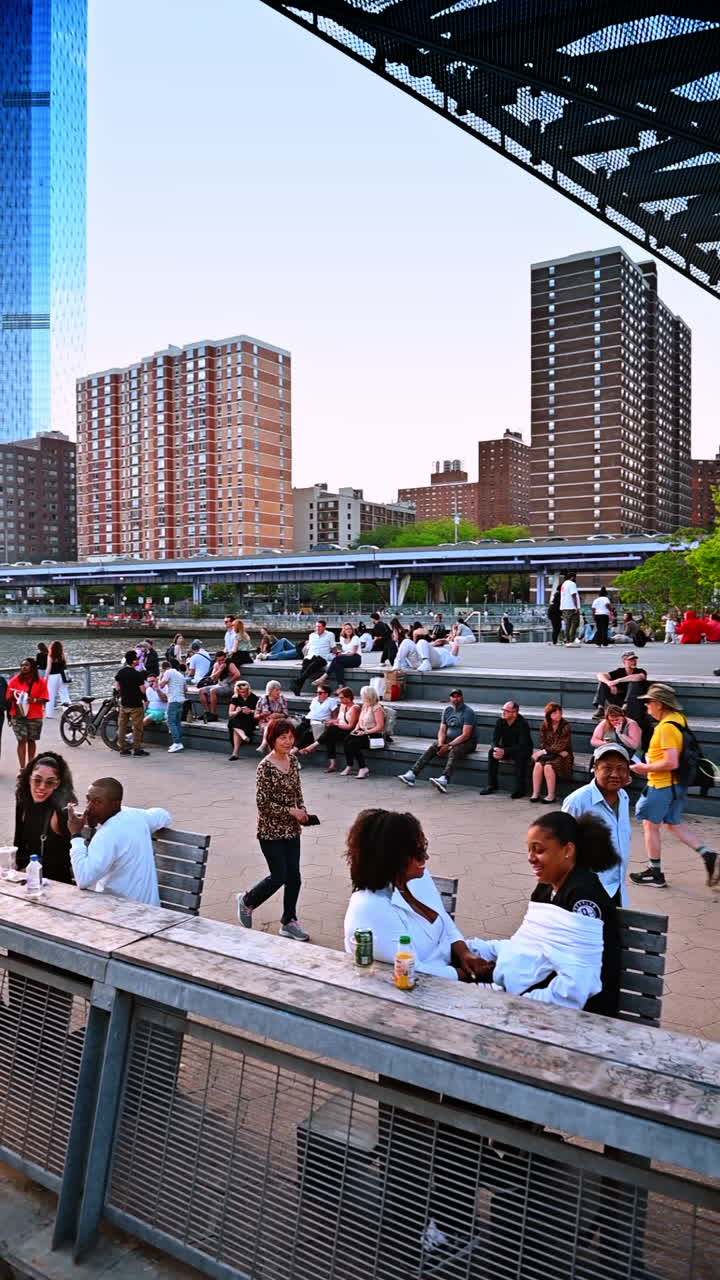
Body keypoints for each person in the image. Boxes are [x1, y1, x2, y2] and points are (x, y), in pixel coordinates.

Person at [471, 812, 622, 1015]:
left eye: (539, 850)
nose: (530, 858)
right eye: (529, 850)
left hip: (581, 1014)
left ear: (568, 850)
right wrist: (470, 948)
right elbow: (528, 945)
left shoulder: (583, 896)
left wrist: (520, 1003)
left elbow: (577, 985)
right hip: (534, 997)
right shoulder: (545, 888)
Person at [343, 809, 489, 980]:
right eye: (418, 853)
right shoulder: (370, 907)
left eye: (424, 848)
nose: (426, 857)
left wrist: (465, 954)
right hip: (424, 989)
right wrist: (470, 975)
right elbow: (411, 969)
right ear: (392, 858)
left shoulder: (417, 878)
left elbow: (444, 920)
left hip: (451, 962)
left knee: (518, 955)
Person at [629, 683, 717, 889]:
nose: (647, 706)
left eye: (649, 702)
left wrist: (644, 767)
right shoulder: (679, 719)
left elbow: (671, 762)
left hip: (662, 785)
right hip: (676, 784)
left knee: (650, 825)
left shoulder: (666, 727)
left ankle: (655, 873)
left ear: (659, 704)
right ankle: (708, 854)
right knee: (673, 823)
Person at [236, 718, 311, 941]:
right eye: (283, 737)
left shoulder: (293, 760)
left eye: (290, 737)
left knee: (294, 877)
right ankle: (247, 901)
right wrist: (291, 811)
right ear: (272, 740)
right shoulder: (265, 767)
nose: (288, 742)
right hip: (270, 831)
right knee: (279, 875)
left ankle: (289, 921)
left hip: (292, 830)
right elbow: (263, 804)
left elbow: (297, 792)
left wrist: (303, 810)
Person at [67, 777, 169, 905]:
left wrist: (76, 835)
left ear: (115, 804)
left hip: (123, 914)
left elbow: (83, 879)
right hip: (150, 908)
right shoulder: (135, 815)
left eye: (98, 802)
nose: (89, 808)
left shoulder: (106, 835)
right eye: (88, 800)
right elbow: (164, 815)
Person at [562, 745, 632, 904]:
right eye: (607, 768)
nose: (615, 774)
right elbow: (562, 848)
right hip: (587, 892)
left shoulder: (623, 797)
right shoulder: (577, 801)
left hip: (617, 888)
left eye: (621, 768)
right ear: (595, 768)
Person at [14, 752, 77, 883]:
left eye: (49, 783)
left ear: (57, 784)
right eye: (37, 780)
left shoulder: (61, 810)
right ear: (29, 778)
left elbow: (66, 859)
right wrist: (17, 868)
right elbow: (18, 843)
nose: (42, 787)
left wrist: (29, 870)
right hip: (26, 880)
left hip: (54, 884)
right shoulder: (23, 802)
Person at [399, 689, 476, 793]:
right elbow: (442, 730)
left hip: (468, 742)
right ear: (450, 698)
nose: (456, 699)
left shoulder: (468, 712)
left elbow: (466, 735)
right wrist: (440, 744)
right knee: (434, 746)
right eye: (453, 696)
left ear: (462, 697)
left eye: (458, 696)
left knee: (455, 750)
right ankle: (412, 774)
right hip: (450, 739)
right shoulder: (447, 710)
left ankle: (444, 779)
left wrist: (448, 746)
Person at [481, 700, 533, 799]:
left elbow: (522, 745)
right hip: (507, 748)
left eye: (506, 711)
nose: (503, 712)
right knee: (492, 752)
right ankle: (491, 785)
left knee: (520, 756)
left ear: (514, 713)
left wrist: (504, 751)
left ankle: (520, 789)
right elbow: (494, 739)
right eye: (503, 710)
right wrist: (496, 748)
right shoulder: (500, 721)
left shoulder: (523, 723)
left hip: (522, 749)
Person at [303, 686, 359, 773]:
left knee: (332, 729)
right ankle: (332, 764)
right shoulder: (343, 706)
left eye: (341, 698)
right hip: (339, 729)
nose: (340, 700)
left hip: (348, 731)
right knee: (330, 735)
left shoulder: (355, 708)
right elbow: (339, 719)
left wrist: (336, 724)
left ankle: (313, 745)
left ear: (348, 697)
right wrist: (332, 721)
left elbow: (350, 726)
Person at [7, 657, 49, 769]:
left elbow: (45, 698)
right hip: (18, 715)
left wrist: (33, 700)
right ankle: (22, 768)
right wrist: (15, 696)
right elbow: (8, 697)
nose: (23, 667)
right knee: (21, 741)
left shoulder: (40, 681)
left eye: (26, 665)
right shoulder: (14, 681)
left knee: (31, 740)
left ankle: (30, 766)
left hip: (35, 715)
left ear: (32, 667)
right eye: (22, 665)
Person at [530, 702, 574, 804]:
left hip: (565, 756)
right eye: (555, 713)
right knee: (537, 765)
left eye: (559, 712)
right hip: (552, 754)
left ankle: (551, 795)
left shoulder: (565, 726)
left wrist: (545, 751)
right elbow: (543, 743)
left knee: (548, 767)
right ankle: (536, 793)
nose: (558, 715)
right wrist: (554, 751)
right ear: (549, 715)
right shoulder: (544, 725)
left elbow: (562, 745)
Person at [342, 686, 386, 778]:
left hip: (374, 734)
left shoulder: (377, 708)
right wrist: (356, 729)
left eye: (363, 695)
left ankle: (363, 768)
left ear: (368, 696)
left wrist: (366, 732)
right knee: (347, 739)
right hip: (363, 731)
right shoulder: (365, 705)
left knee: (354, 743)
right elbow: (360, 720)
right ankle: (349, 765)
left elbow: (379, 726)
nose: (361, 697)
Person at [593, 651, 648, 724]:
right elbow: (600, 675)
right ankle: (601, 708)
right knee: (603, 682)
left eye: (635, 660)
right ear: (624, 661)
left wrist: (618, 681)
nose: (634, 662)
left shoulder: (640, 671)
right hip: (619, 700)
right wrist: (609, 683)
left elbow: (639, 677)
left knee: (633, 683)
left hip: (633, 702)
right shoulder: (619, 671)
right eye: (630, 660)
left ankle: (625, 708)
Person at [115, 649, 148, 757]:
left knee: (122, 726)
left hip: (124, 703)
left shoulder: (121, 672)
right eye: (137, 659)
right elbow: (142, 690)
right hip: (136, 704)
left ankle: (123, 748)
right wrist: (146, 698)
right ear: (133, 661)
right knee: (137, 727)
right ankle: (137, 749)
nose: (138, 660)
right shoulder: (137, 675)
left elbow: (118, 686)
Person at [291, 620, 335, 695]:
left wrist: (336, 653)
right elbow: (308, 648)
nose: (317, 628)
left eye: (319, 626)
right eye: (317, 626)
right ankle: (298, 688)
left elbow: (333, 647)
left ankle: (297, 681)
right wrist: (304, 658)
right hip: (310, 656)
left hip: (322, 657)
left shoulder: (330, 635)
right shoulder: (312, 635)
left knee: (314, 664)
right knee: (305, 665)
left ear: (324, 627)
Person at [198, 651, 242, 721]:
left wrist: (229, 681)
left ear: (225, 658)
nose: (221, 662)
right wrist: (220, 670)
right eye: (219, 660)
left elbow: (237, 674)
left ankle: (213, 714)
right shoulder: (216, 665)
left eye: (222, 660)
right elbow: (213, 678)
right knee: (201, 691)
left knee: (213, 691)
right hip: (220, 684)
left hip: (230, 686)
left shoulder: (230, 664)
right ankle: (207, 712)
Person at [294, 685, 339, 751]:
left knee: (306, 734)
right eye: (317, 692)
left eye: (320, 693)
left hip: (320, 721)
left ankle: (296, 750)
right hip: (309, 719)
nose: (318, 694)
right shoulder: (314, 699)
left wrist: (329, 722)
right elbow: (312, 711)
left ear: (326, 694)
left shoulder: (331, 701)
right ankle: (291, 747)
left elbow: (335, 717)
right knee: (298, 729)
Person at [319, 622, 362, 688]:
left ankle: (324, 677)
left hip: (356, 658)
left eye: (350, 628)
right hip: (347, 658)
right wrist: (340, 653)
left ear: (352, 630)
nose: (349, 630)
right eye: (347, 629)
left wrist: (342, 654)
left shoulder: (355, 638)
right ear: (344, 630)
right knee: (338, 664)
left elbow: (352, 653)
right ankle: (341, 686)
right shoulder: (342, 639)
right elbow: (346, 651)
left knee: (337, 659)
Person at [158, 660, 188, 753]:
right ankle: (178, 742)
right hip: (181, 699)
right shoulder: (180, 675)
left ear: (163, 668)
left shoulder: (168, 672)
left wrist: (160, 676)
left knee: (171, 721)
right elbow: (185, 689)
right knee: (177, 722)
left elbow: (161, 685)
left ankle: (177, 742)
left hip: (173, 700)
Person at [227, 679, 259, 758]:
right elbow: (230, 713)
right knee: (234, 721)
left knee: (234, 725)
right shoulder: (235, 698)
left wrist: (250, 711)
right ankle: (243, 737)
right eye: (240, 692)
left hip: (250, 719)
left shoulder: (254, 697)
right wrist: (237, 711)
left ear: (248, 690)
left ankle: (235, 753)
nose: (243, 694)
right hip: (239, 718)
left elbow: (259, 712)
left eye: (244, 692)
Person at [255, 679, 289, 752]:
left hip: (278, 722)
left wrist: (278, 715)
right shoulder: (263, 698)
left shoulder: (282, 698)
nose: (279, 692)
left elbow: (286, 714)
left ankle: (264, 744)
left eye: (279, 690)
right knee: (271, 728)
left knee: (273, 728)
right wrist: (262, 715)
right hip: (264, 723)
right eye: (276, 690)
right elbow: (256, 716)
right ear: (270, 691)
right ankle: (272, 756)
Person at [45, 639, 71, 718]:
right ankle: (68, 711)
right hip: (63, 676)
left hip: (53, 676)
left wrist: (45, 678)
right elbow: (67, 664)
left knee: (50, 695)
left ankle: (49, 714)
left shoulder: (50, 656)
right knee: (64, 694)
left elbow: (48, 668)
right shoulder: (64, 655)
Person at [559, 575, 581, 645]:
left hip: (564, 607)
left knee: (567, 624)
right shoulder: (572, 584)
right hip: (571, 607)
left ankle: (567, 640)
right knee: (575, 623)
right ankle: (571, 640)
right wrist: (576, 607)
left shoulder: (563, 584)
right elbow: (573, 595)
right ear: (572, 577)